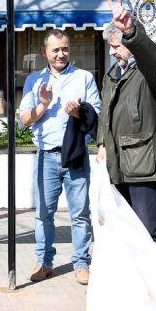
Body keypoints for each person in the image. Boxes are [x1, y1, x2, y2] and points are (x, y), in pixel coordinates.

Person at [19, 29, 101, 285]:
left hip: (75, 155)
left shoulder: (84, 78)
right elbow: (23, 120)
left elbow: (97, 115)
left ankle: (81, 264)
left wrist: (79, 113)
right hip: (46, 156)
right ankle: (44, 262)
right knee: (43, 213)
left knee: (80, 214)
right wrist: (43, 105)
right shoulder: (34, 80)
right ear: (45, 52)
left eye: (65, 49)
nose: (61, 54)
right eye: (55, 50)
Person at [96, 0, 156, 252]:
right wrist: (100, 143)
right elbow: (105, 114)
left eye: (117, 45)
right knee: (124, 228)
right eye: (110, 46)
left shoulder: (151, 72)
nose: (111, 51)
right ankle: (138, 287)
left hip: (144, 164)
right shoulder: (112, 75)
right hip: (117, 164)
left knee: (151, 229)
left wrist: (131, 30)